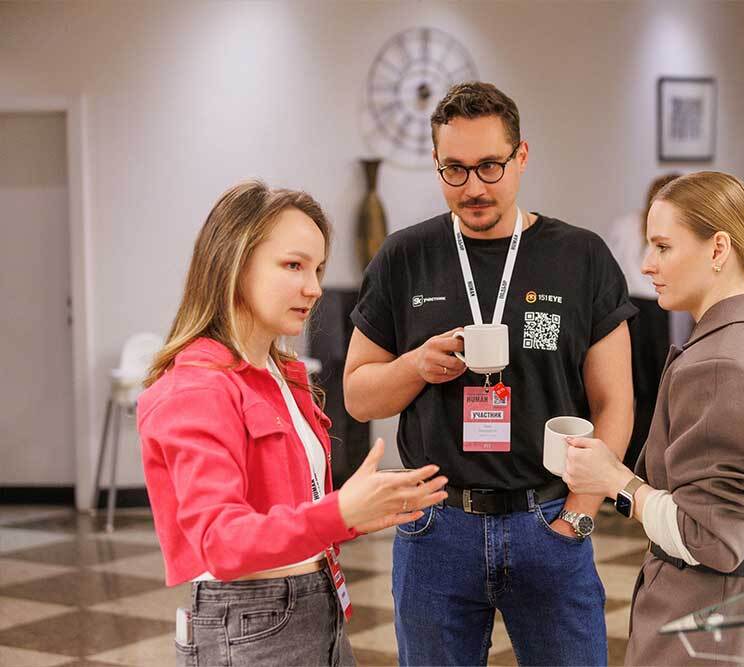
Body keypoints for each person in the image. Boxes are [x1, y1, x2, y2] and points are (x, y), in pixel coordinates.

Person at [343, 81, 637, 666]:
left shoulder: (581, 257)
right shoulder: (404, 256)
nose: (474, 187)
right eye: (454, 169)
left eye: (489, 167)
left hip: (548, 517)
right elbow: (358, 396)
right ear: (436, 163)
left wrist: (579, 513)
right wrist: (415, 365)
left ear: (521, 156)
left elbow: (615, 401)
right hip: (435, 527)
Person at [138, 181, 448, 667]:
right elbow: (220, 541)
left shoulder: (282, 374)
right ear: (234, 263)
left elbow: (292, 509)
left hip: (313, 602)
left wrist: (356, 514)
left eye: (317, 269)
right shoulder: (198, 387)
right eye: (293, 265)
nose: (314, 288)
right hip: (251, 620)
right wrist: (339, 512)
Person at [562, 171, 744, 666]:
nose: (646, 264)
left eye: (663, 247)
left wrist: (615, 481)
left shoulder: (717, 367)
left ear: (718, 249)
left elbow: (711, 537)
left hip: (705, 627)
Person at [606, 173, 693, 469]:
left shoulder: (626, 225)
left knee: (635, 395)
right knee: (659, 393)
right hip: (656, 313)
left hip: (629, 312)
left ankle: (632, 461)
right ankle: (651, 461)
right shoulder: (670, 229)